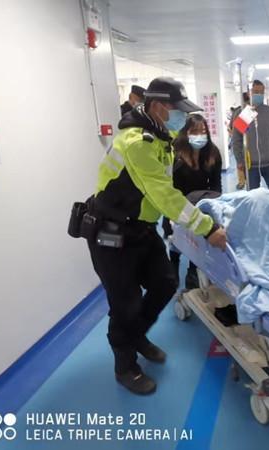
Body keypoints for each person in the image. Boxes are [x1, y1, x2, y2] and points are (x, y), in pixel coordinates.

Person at [87, 77, 227, 395]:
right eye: (177, 109)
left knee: (165, 282)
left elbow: (168, 185)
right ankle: (125, 365)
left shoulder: (160, 137)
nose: (181, 116)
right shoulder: (137, 142)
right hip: (111, 231)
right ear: (159, 106)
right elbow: (164, 194)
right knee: (125, 302)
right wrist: (207, 228)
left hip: (141, 228)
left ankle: (135, 334)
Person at [163, 114, 222, 289]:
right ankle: (173, 267)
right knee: (176, 241)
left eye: (203, 131)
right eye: (195, 131)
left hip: (201, 204)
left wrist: (215, 205)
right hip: (178, 204)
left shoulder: (212, 153)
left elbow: (216, 185)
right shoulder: (176, 154)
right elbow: (169, 186)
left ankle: (192, 272)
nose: (199, 135)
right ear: (186, 132)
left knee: (198, 242)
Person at [232, 80, 269, 190]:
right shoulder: (244, 113)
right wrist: (239, 160)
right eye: (256, 92)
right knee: (253, 196)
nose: (259, 95)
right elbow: (237, 139)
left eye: (261, 92)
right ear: (249, 93)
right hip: (251, 164)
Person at [229, 93, 250, 190]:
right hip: (245, 146)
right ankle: (243, 182)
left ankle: (242, 182)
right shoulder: (246, 111)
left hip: (243, 147)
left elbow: (233, 130)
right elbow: (237, 135)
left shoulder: (239, 111)